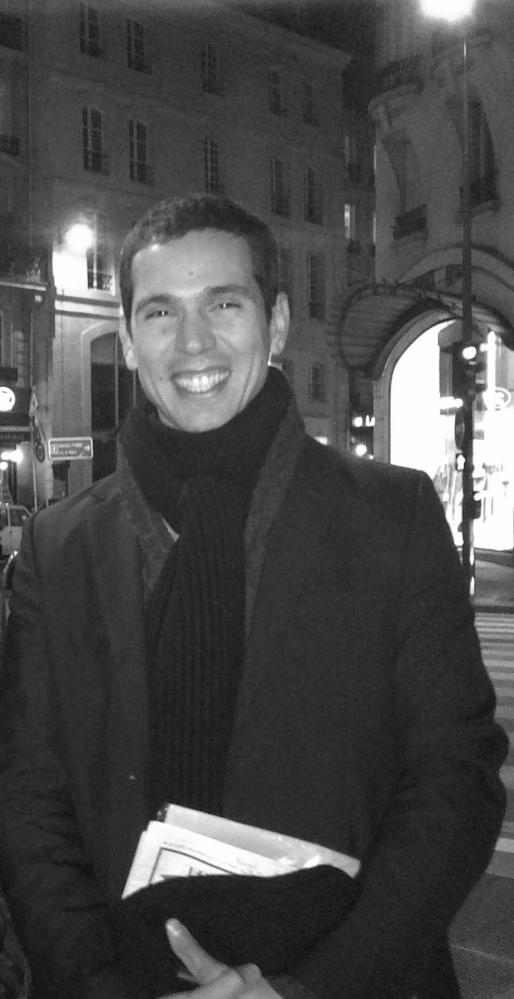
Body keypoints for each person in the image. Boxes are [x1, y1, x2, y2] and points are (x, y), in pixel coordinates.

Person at [0, 192, 508, 999]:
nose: (193, 342)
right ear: (127, 340)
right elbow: (29, 800)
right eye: (160, 312)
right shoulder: (57, 548)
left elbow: (456, 779)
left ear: (275, 325)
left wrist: (305, 988)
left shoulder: (392, 518)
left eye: (223, 304)